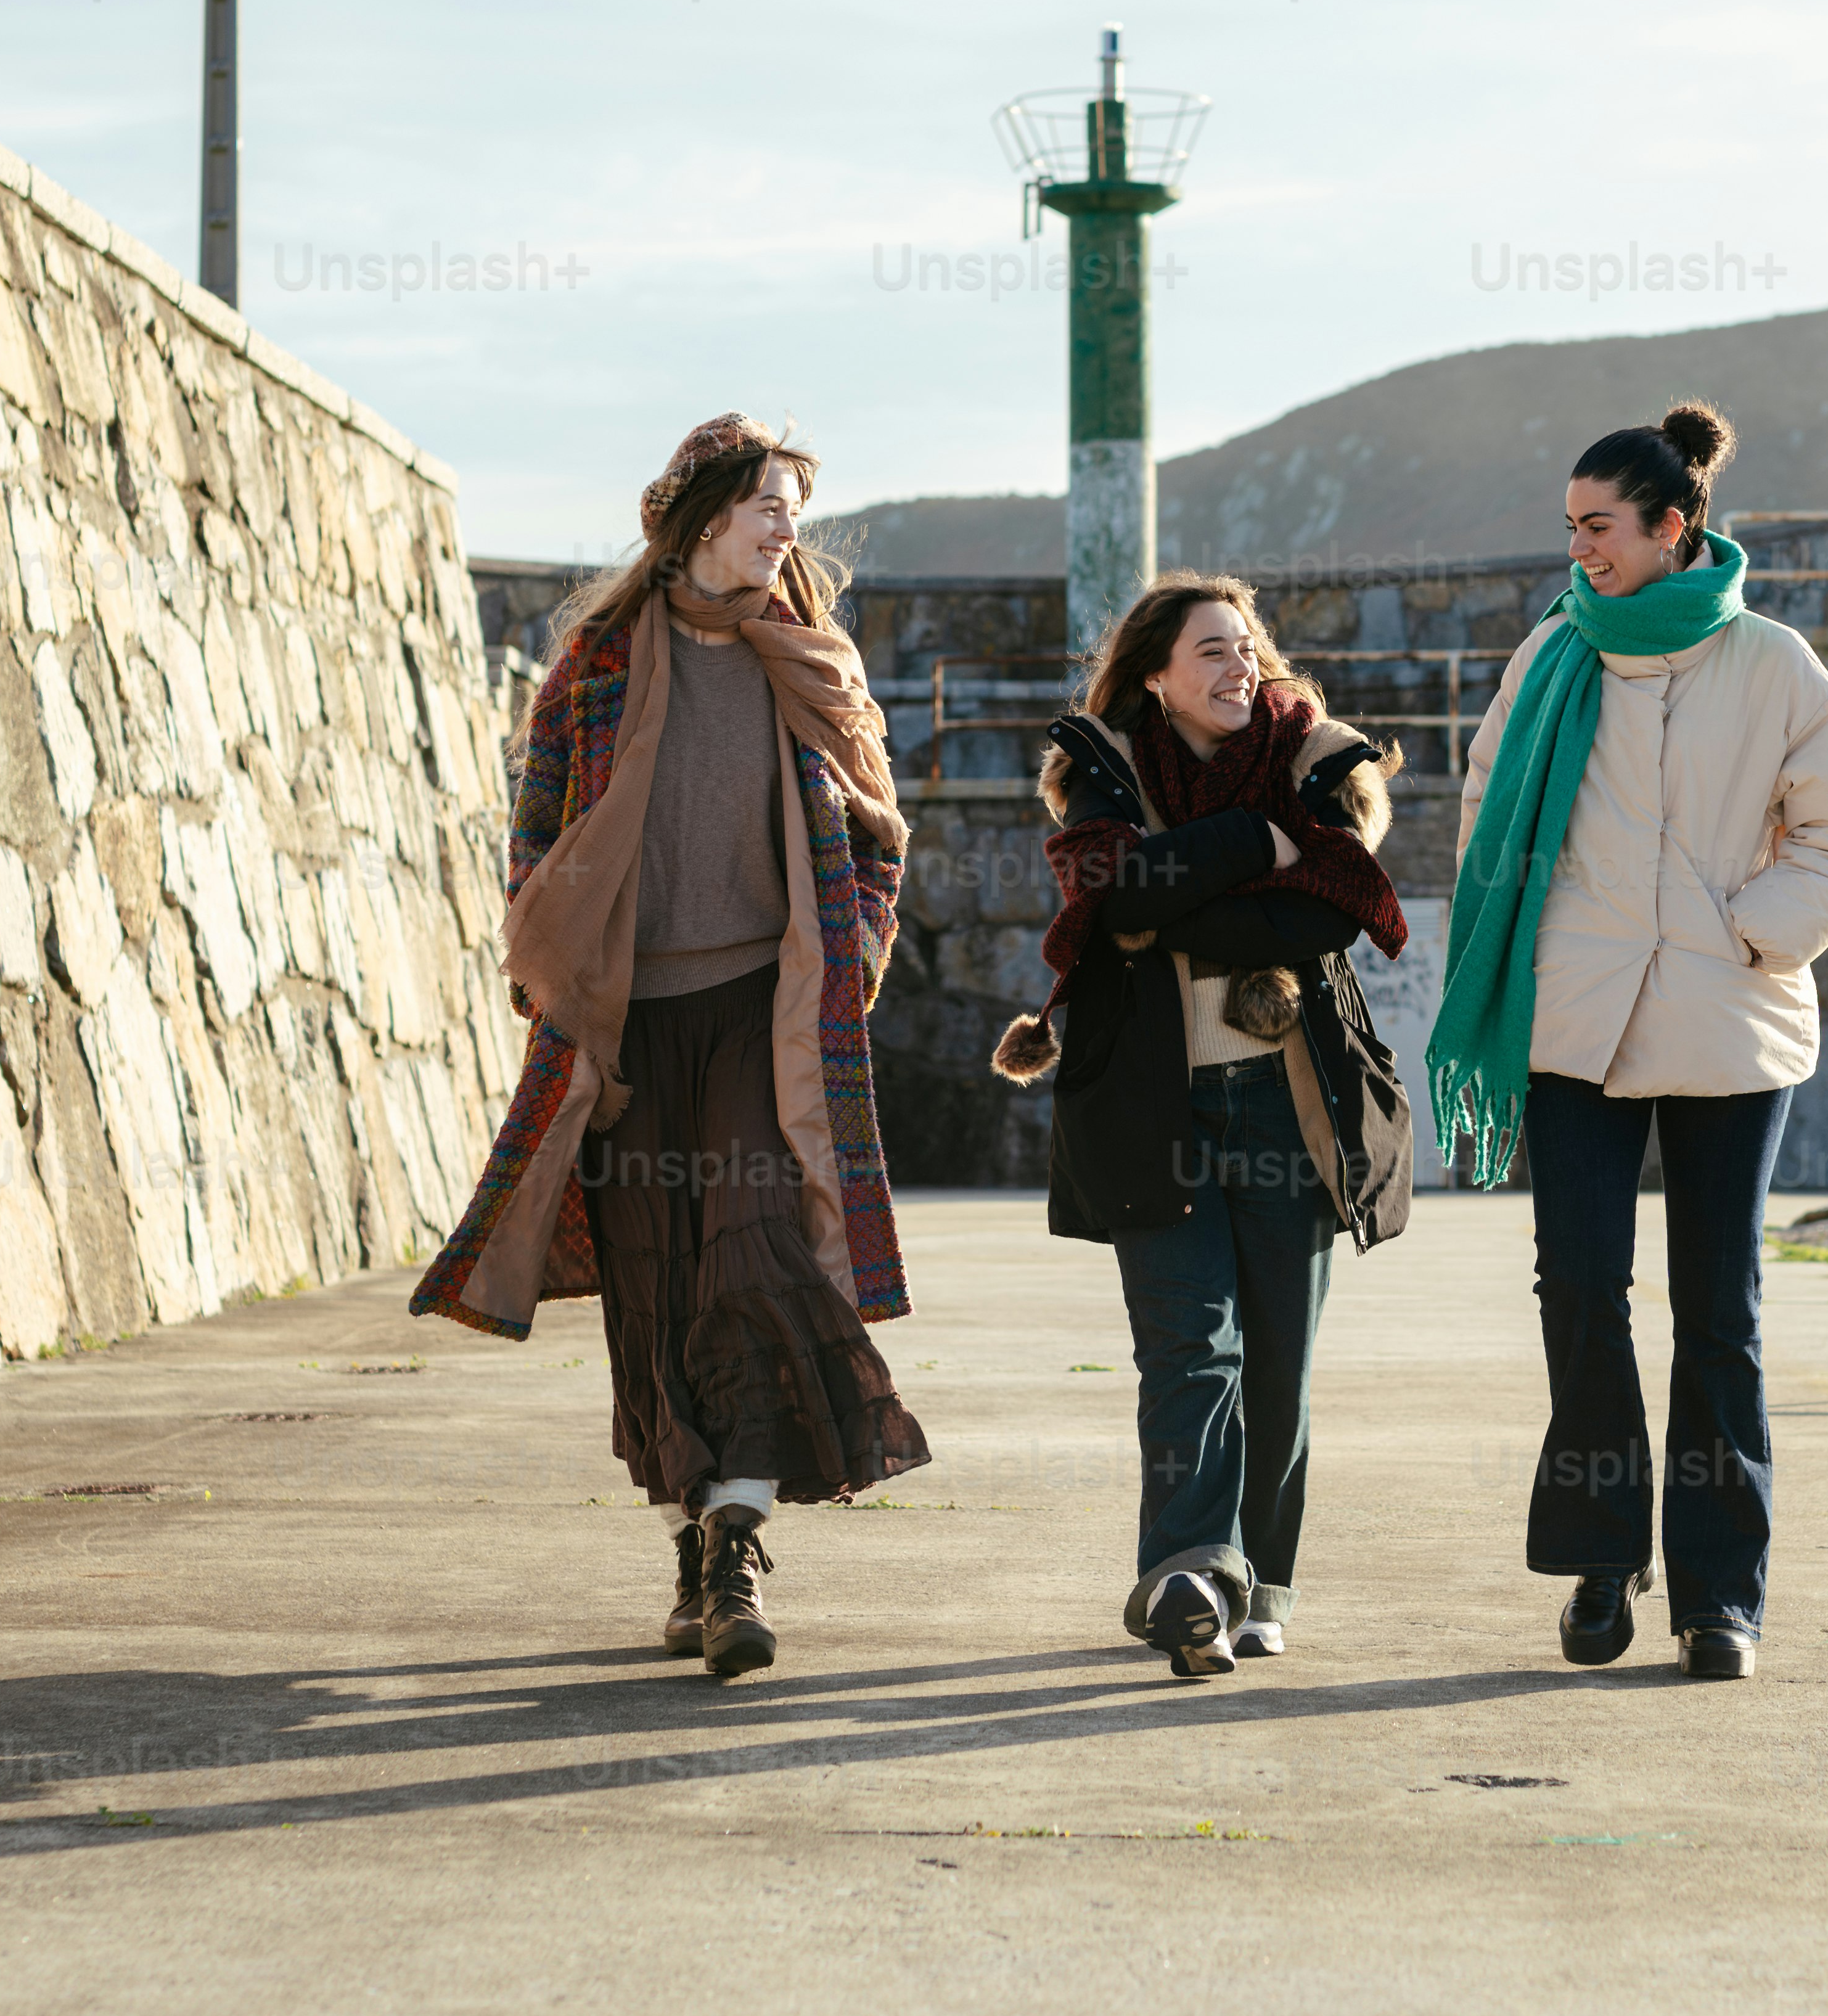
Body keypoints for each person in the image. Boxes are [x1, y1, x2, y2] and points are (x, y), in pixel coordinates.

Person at [414, 412, 927, 1676]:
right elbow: (536, 833)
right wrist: (557, 958)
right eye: (767, 508)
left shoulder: (810, 664)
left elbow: (875, 837)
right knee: (653, 1288)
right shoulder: (594, 665)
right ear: (703, 521)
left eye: (794, 515)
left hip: (766, 1015)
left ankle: (738, 1539)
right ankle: (696, 1546)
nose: (784, 532)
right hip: (629, 1027)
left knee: (752, 1263)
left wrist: (853, 950)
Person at [1428, 403, 1828, 1682]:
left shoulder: (1776, 664)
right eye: (1568, 528)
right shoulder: (1549, 657)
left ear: (1671, 526)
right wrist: (1540, 939)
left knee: (1716, 1312)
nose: (1579, 550)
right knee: (1577, 1292)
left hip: (1729, 1029)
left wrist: (1745, 933)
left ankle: (1719, 1594)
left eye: (1599, 526)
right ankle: (1595, 1553)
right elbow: (1485, 813)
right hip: (1573, 1024)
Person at [993, 573, 1412, 1676]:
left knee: (1277, 1355)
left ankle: (1262, 1580)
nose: (1239, 667)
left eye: (1246, 647)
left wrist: (1185, 890)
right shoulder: (1102, 770)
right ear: (1155, 675)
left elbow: (1330, 909)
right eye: (1212, 651)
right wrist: (1261, 846)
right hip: (1152, 1106)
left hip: (1292, 1103)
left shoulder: (1319, 759)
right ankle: (1188, 1571)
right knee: (1189, 1347)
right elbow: (1116, 900)